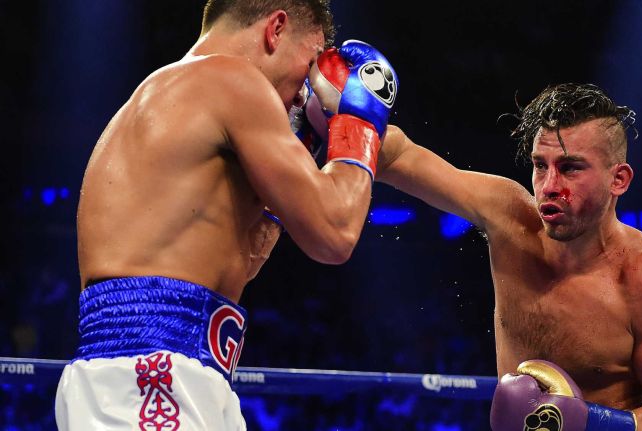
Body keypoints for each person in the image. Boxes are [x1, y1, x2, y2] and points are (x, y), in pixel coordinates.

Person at [55, 0, 398, 429]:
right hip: (151, 376)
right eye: (310, 61)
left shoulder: (172, 95)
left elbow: (243, 262)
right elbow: (335, 232)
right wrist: (358, 123)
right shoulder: (232, 81)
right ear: (275, 29)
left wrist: (304, 149)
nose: (306, 88)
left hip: (161, 374)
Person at [377, 83, 642, 430]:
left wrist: (592, 423)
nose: (549, 185)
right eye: (539, 165)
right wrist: (337, 117)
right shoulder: (508, 220)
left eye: (570, 168)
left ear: (618, 179)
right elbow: (399, 156)